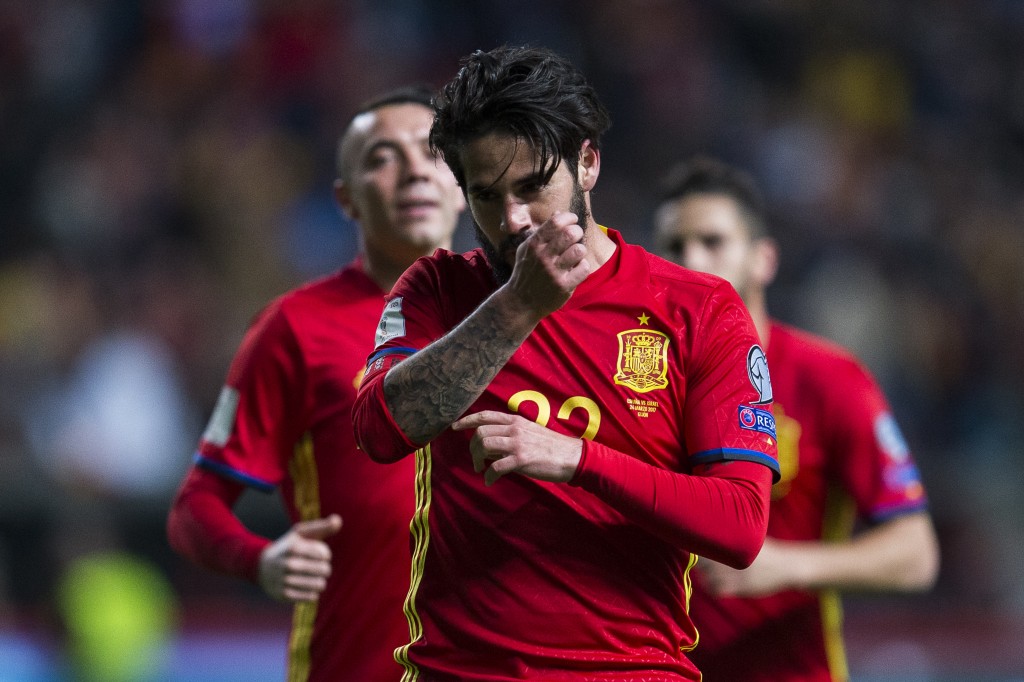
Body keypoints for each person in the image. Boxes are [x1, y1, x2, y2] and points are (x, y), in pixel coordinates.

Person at [351, 45, 780, 681]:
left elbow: (740, 527)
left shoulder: (698, 309)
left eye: (532, 187)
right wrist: (518, 306)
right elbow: (378, 429)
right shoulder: (437, 290)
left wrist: (578, 459)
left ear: (587, 162)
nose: (513, 220)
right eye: (486, 196)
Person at [166, 85, 466, 681]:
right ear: (345, 199)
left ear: (463, 181)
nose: (413, 172)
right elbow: (195, 508)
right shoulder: (295, 328)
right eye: (382, 157)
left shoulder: (520, 314)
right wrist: (261, 560)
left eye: (432, 152)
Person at [652, 156, 940, 681]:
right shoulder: (640, 380)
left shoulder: (828, 378)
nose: (690, 261)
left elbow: (915, 554)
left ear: (763, 259)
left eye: (712, 242)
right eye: (674, 245)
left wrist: (786, 565)